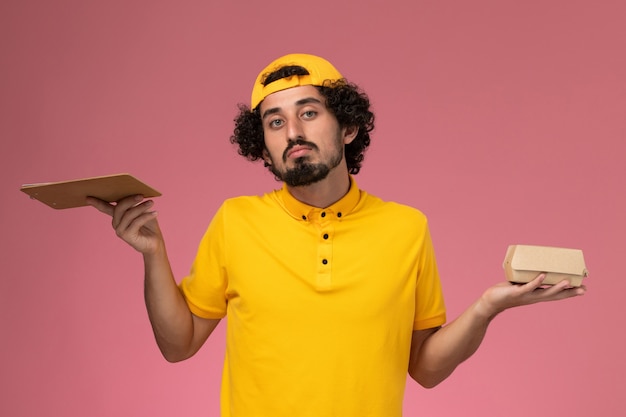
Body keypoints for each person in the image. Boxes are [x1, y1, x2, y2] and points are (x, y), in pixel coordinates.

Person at [87, 53, 586, 416]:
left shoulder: (407, 228)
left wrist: (486, 308)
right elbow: (179, 345)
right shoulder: (235, 221)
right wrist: (153, 254)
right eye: (274, 122)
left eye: (308, 113)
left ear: (347, 128)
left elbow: (426, 369)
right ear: (263, 148)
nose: (292, 133)